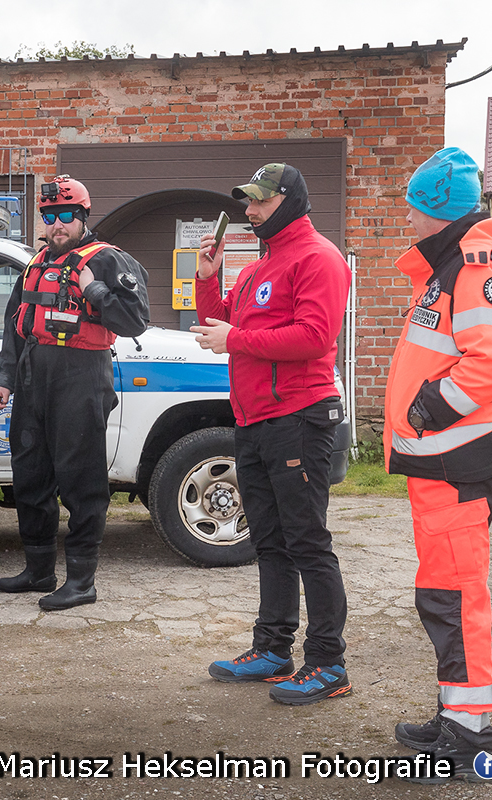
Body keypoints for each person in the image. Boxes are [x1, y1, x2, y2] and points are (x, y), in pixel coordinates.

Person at [383, 147, 492, 782]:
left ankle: (471, 736)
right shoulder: (451, 262)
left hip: (455, 465)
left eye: (418, 210)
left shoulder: (473, 265)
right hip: (443, 467)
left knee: (455, 599)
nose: (411, 221)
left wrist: (429, 407)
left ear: (438, 212)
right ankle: (456, 718)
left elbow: (491, 363)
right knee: (443, 596)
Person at [192, 163, 352, 705]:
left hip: (300, 418)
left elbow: (313, 336)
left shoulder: (319, 258)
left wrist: (235, 337)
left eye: (259, 202)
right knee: (269, 541)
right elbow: (221, 323)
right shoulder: (261, 266)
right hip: (255, 420)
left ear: (289, 201)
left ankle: (328, 663)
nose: (250, 211)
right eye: (248, 203)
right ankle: (273, 650)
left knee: (307, 541)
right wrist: (207, 278)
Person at [0, 175, 149, 611]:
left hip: (80, 378)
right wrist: (5, 377)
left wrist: (94, 290)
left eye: (65, 216)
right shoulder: (35, 261)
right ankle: (39, 570)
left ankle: (82, 581)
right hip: (31, 377)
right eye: (49, 217)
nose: (56, 225)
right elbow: (15, 324)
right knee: (30, 477)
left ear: (81, 217)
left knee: (82, 483)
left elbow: (135, 321)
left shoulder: (108, 260)